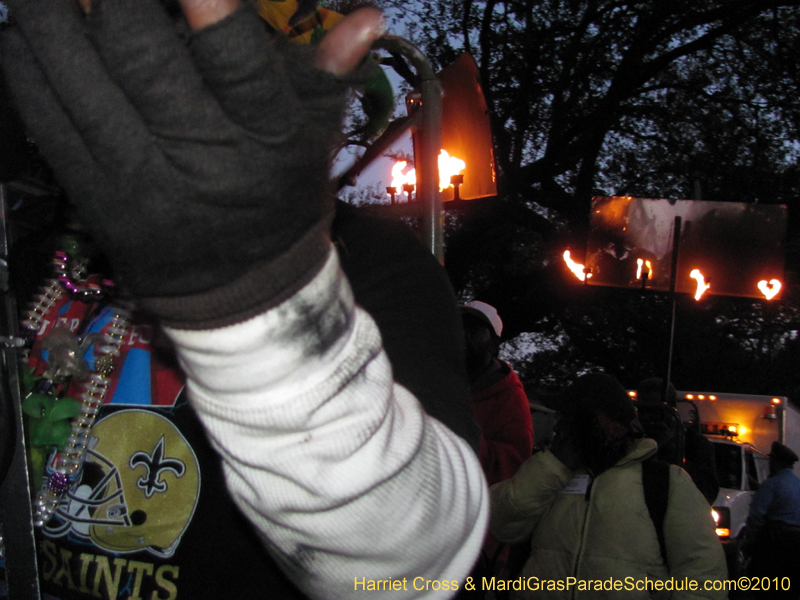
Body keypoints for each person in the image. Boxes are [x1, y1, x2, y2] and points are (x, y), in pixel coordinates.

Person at [0, 1, 489, 599]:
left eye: (202, 46)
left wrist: (259, 305)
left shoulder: (375, 268)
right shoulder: (33, 261)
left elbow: (406, 572)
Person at [490, 373, 727, 599]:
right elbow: (503, 524)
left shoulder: (667, 482)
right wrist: (554, 466)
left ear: (607, 422)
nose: (561, 429)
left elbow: (702, 577)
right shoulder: (551, 472)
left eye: (573, 420)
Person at [461, 301, 533, 486]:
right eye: (459, 327)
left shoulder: (510, 401)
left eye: (473, 330)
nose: (462, 335)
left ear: (493, 345)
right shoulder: (438, 379)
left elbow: (512, 471)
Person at [637, 377, 719, 504]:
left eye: (655, 411)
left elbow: (707, 493)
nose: (648, 417)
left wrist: (672, 452)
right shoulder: (632, 440)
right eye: (643, 410)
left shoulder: (694, 444)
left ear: (672, 408)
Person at [744, 441, 800, 598]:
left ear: (777, 462)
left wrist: (750, 542)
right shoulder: (798, 484)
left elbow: (756, 516)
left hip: (774, 544)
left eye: (771, 461)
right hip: (796, 545)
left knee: (765, 587)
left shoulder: (772, 484)